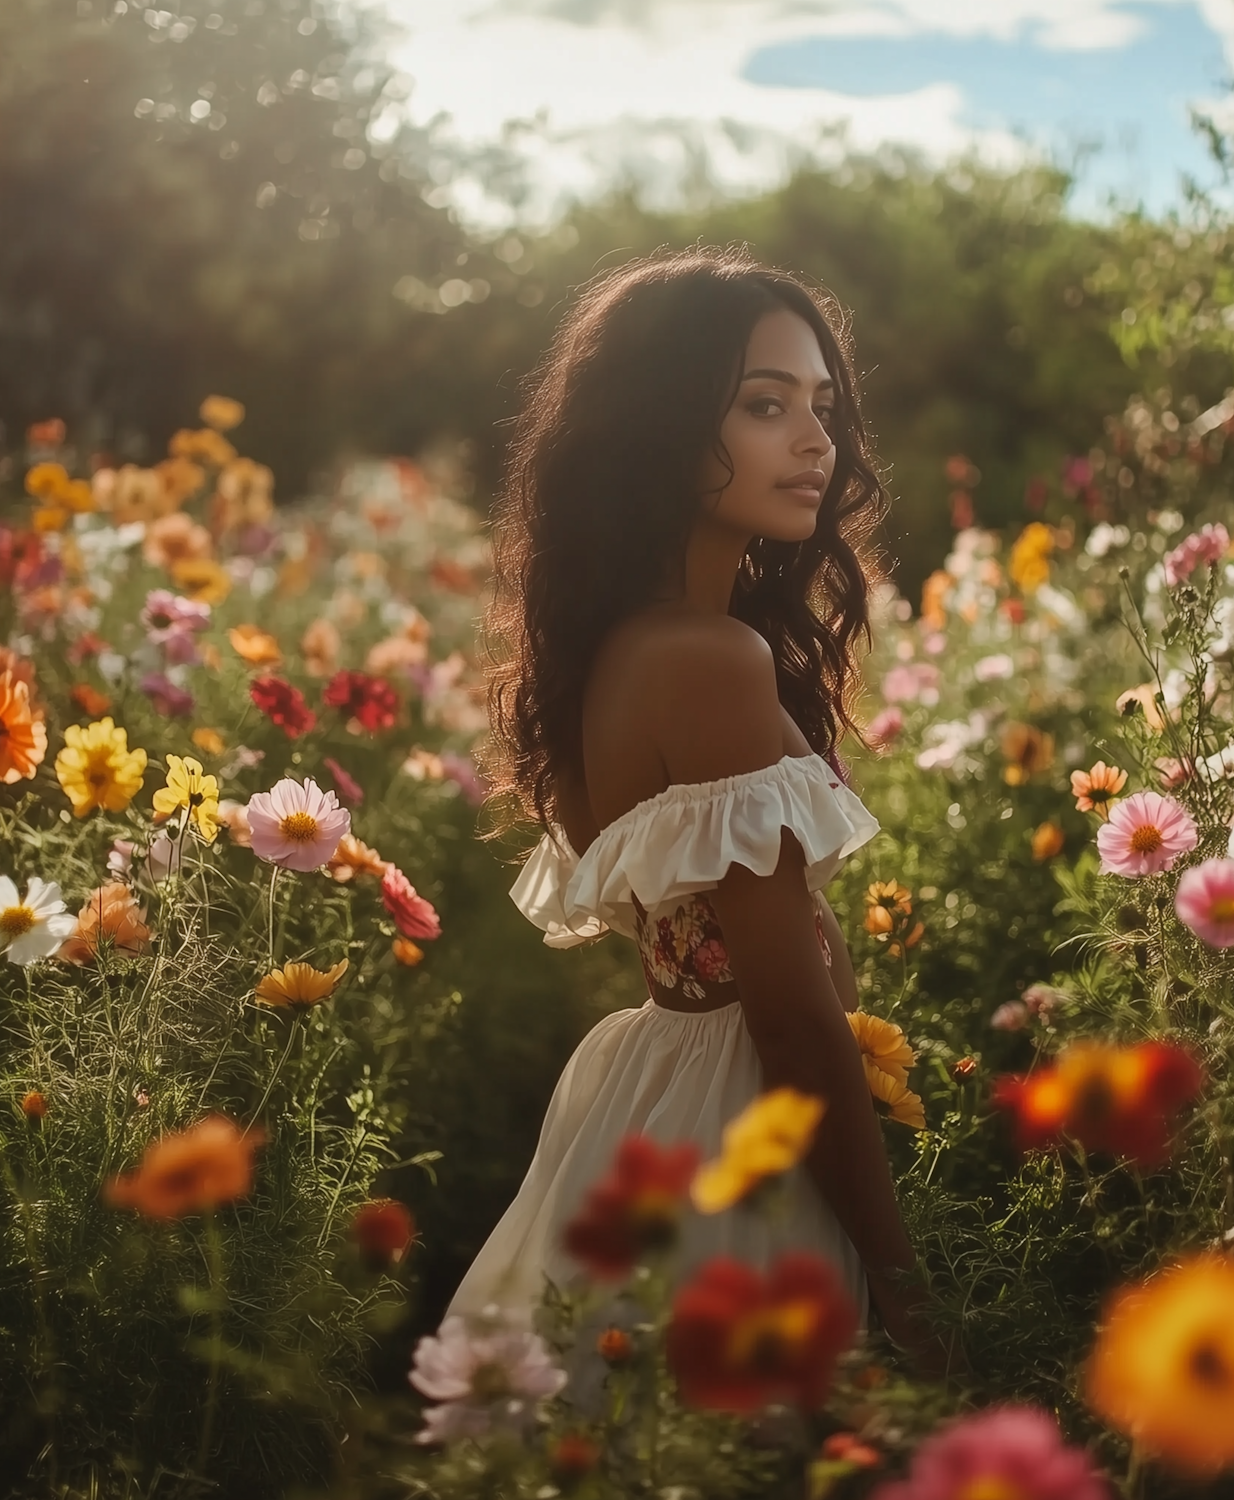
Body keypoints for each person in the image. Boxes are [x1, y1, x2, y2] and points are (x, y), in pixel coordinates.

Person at [449, 244, 948, 1377]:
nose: (816, 441)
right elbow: (789, 1018)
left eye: (823, 406)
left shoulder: (617, 645)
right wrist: (910, 1294)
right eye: (765, 405)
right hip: (738, 1114)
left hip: (653, 1089)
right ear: (659, 428)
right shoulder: (706, 659)